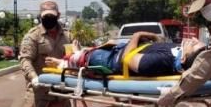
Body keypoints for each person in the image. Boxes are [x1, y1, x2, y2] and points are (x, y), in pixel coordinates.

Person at [6, 0, 74, 107]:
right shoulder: (33, 36)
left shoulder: (67, 36)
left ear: (58, 16)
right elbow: (25, 59)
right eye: (45, 16)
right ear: (40, 16)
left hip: (61, 89)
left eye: (52, 16)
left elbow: (74, 57)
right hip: (39, 90)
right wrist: (33, 77)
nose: (49, 19)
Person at [46, 31, 193, 76]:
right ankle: (77, 53)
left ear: (184, 58)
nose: (194, 40)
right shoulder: (177, 51)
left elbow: (127, 59)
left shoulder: (163, 60)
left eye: (195, 44)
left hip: (110, 59)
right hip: (117, 49)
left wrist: (138, 35)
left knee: (84, 57)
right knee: (90, 51)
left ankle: (65, 61)